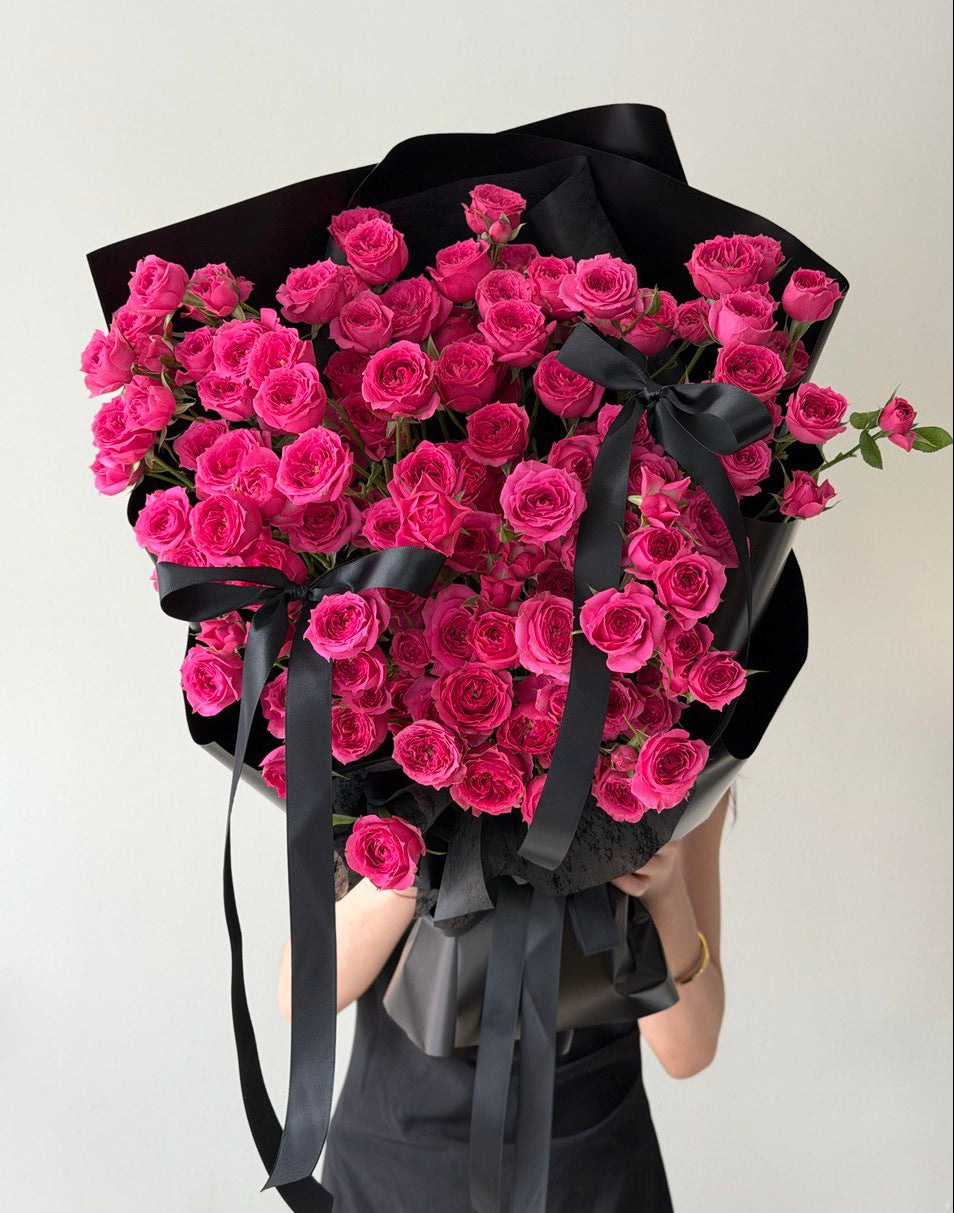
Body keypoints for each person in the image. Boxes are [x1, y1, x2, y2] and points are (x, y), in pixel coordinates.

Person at [277, 792, 729, 1212]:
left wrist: (662, 888)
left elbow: (688, 1052)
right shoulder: (389, 749)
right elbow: (299, 998)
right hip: (393, 1168)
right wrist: (407, 864)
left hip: (592, 1168)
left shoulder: (673, 756)